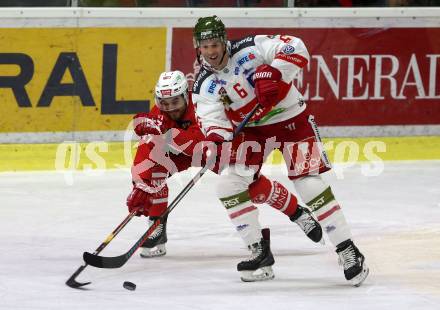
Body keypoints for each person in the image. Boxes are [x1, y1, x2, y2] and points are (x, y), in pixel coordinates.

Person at [191, 15, 369, 286]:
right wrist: (217, 139)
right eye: (205, 47)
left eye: (215, 44)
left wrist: (273, 71)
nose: (211, 51)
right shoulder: (204, 82)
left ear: (224, 41)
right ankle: (259, 253)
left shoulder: (251, 47)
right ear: (198, 48)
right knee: (229, 184)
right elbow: (211, 118)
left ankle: (347, 249)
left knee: (308, 183)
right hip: (252, 130)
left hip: (291, 119)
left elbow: (295, 46)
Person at [126, 71, 323, 273]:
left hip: (215, 148)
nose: (169, 108)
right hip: (182, 150)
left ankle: (297, 213)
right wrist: (141, 185)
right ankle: (156, 227)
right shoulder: (161, 113)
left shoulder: (201, 106)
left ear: (186, 96)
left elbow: (199, 146)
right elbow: (145, 147)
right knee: (153, 172)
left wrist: (165, 133)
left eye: (175, 101)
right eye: (164, 103)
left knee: (252, 189)